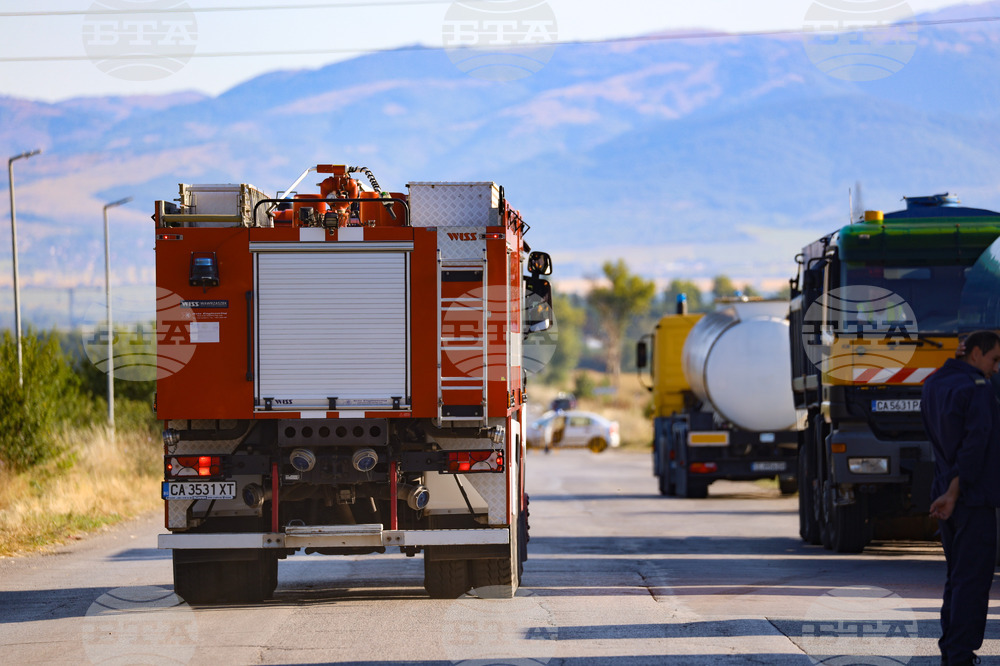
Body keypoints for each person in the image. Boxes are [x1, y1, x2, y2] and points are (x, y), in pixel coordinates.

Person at [921, 330, 1000, 666]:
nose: (996, 368)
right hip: (971, 496)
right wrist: (955, 492)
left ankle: (950, 647)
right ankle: (960, 653)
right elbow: (973, 448)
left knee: (957, 576)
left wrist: (946, 492)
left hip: (944, 494)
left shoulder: (934, 383)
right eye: (994, 359)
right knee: (974, 579)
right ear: (976, 353)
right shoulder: (977, 389)